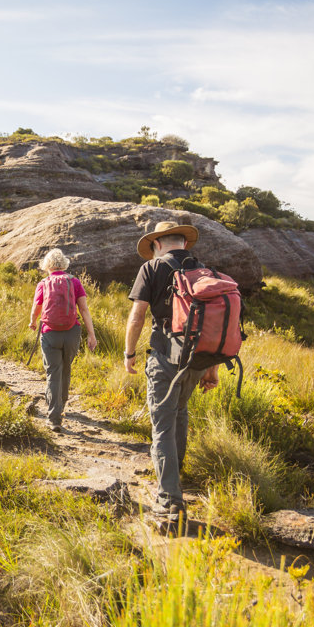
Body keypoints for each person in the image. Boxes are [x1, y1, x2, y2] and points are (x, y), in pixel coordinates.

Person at [124, 221, 219, 516]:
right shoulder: (204, 271)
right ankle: (174, 480)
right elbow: (213, 324)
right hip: (197, 361)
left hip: (165, 357)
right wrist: (211, 368)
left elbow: (138, 316)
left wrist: (129, 352)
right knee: (179, 415)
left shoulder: (151, 269)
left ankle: (169, 499)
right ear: (184, 243)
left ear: (157, 244)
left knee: (162, 425)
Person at [28, 248, 98, 432]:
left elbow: (36, 307)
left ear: (47, 265)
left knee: (53, 372)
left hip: (50, 332)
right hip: (71, 333)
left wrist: (32, 322)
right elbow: (84, 310)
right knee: (66, 369)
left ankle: (54, 418)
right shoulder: (74, 281)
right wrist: (92, 335)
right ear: (64, 264)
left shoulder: (43, 283)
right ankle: (62, 406)